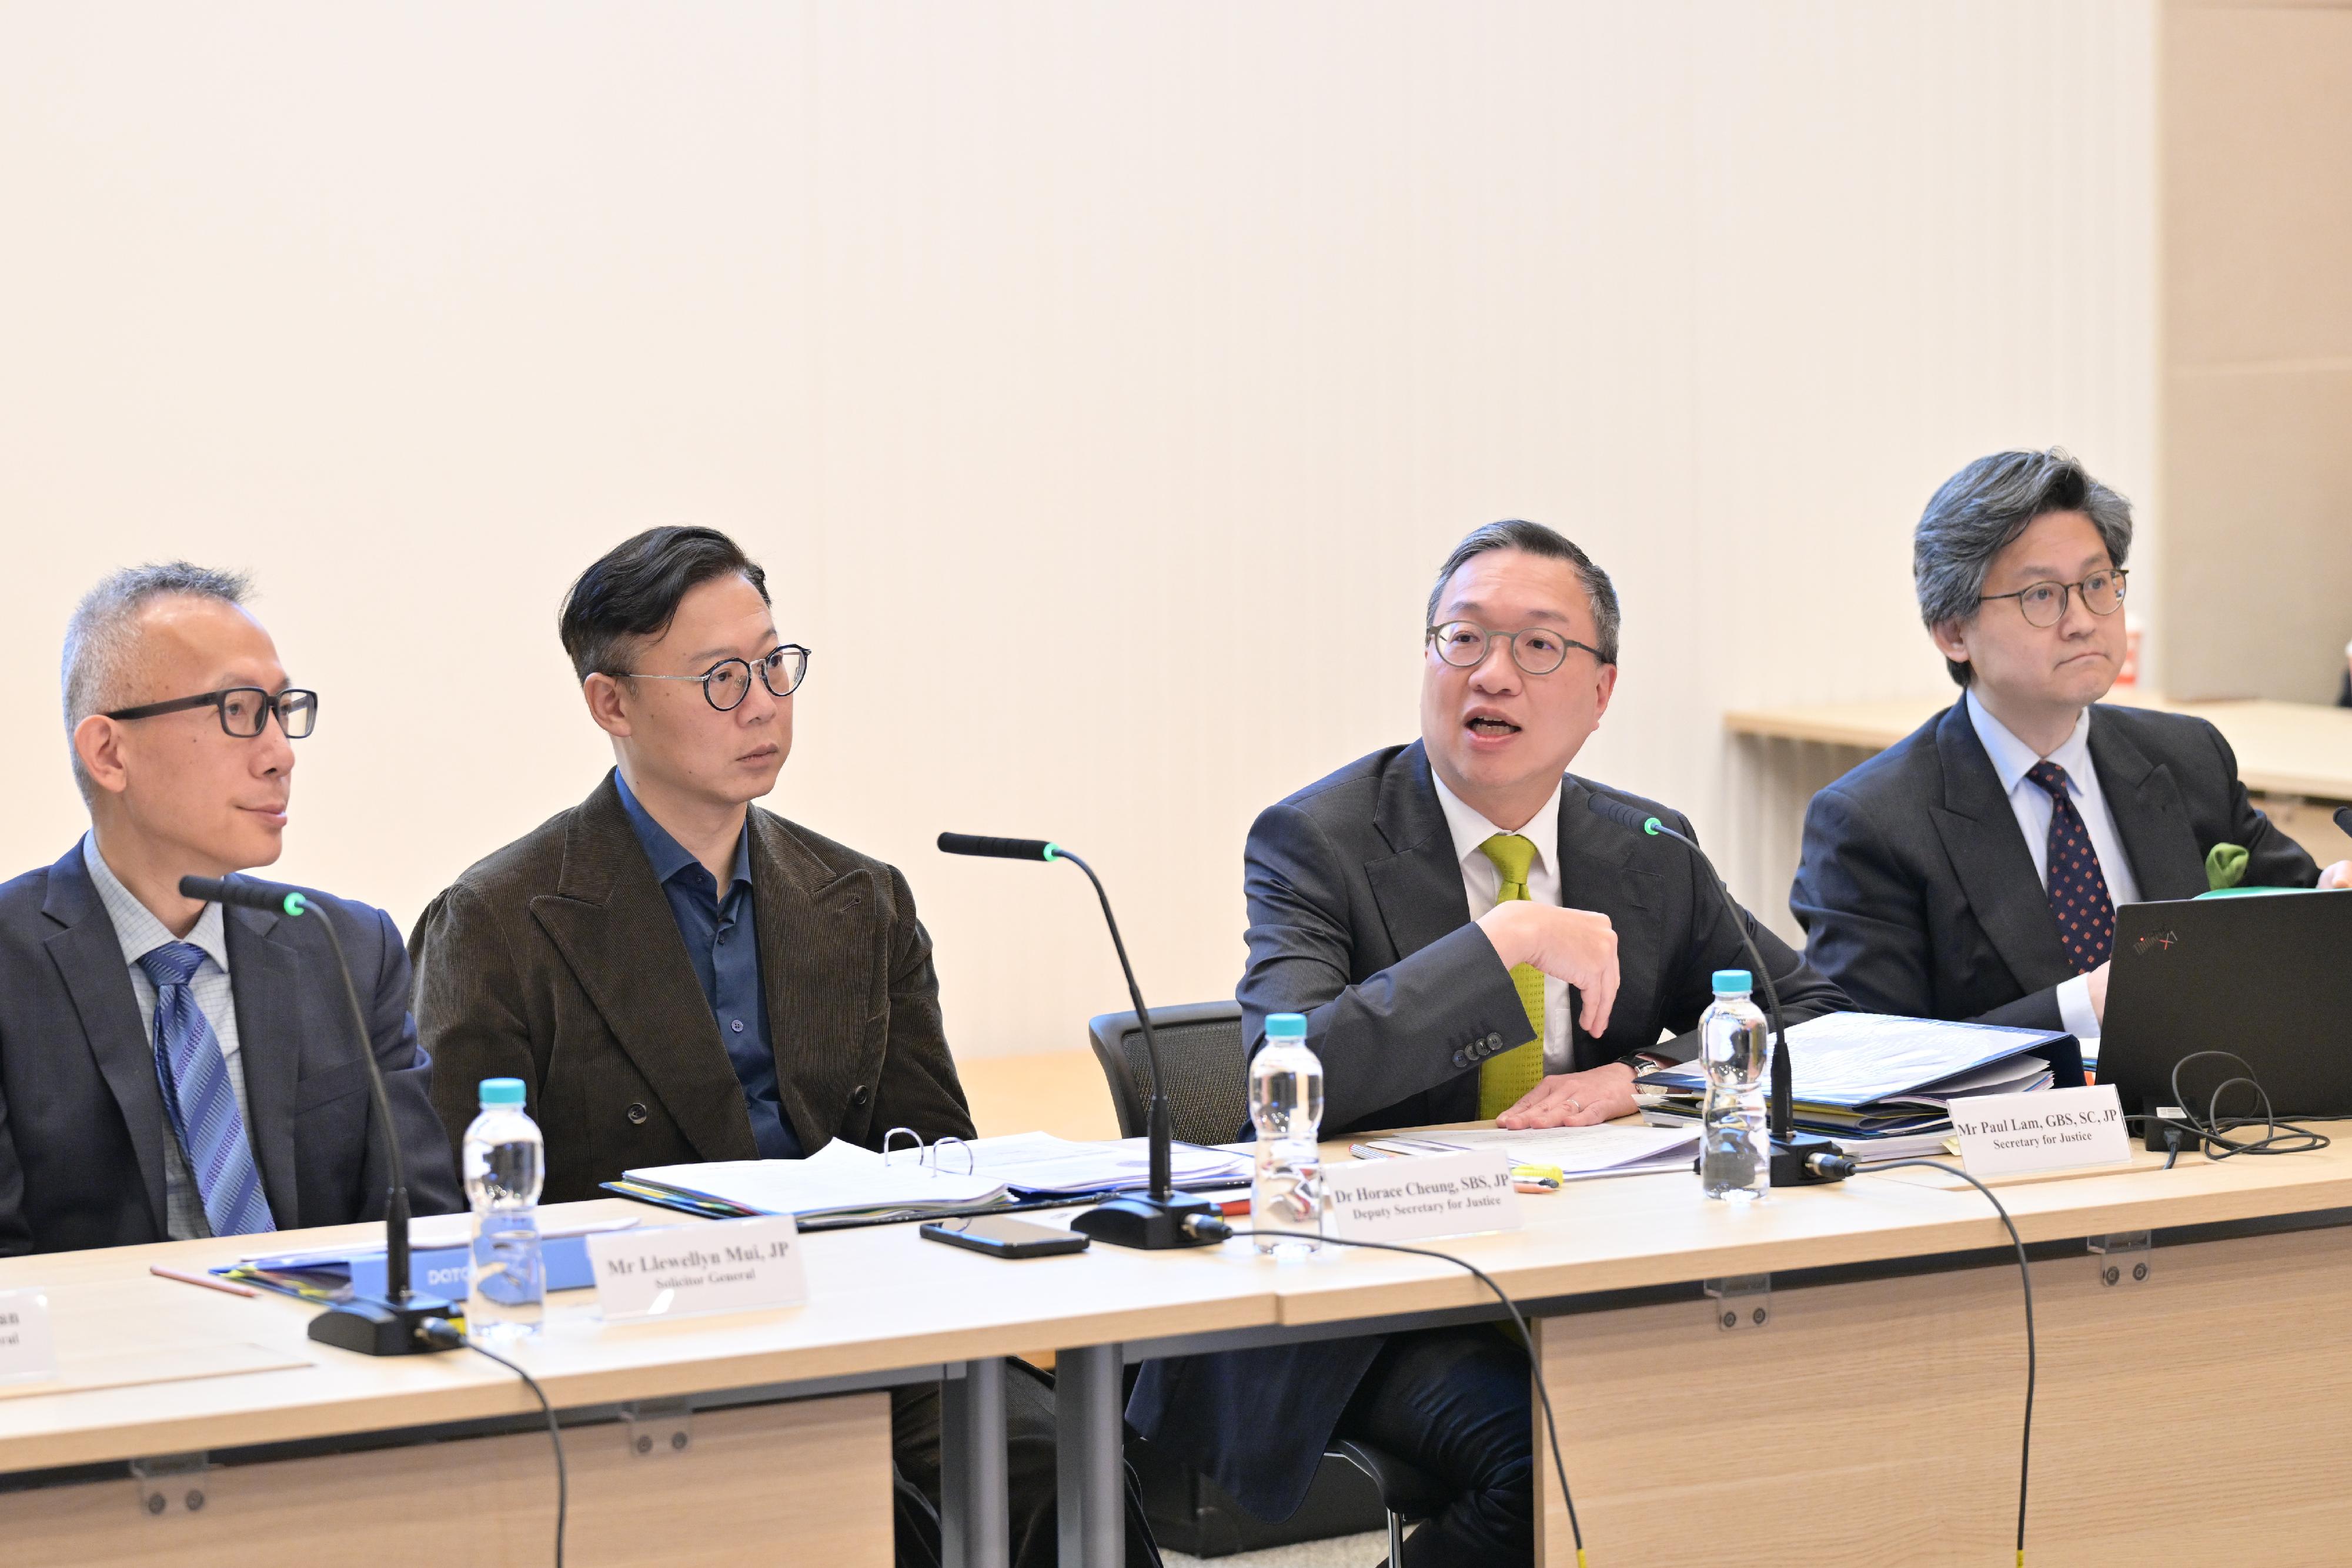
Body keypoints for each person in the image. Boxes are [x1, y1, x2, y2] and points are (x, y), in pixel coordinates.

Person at [407, 525, 1156, 1568]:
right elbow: (461, 1210)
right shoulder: (501, 917)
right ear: (610, 704)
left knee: (1060, 1469)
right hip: (645, 1350)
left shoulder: (860, 900)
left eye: (773, 664)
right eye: (719, 678)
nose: (762, 703)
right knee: (856, 1515)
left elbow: (935, 1155)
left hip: (868, 1327)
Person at [1128, 520, 1847, 1566]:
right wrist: (1501, 941)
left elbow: (1812, 1020)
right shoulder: (1317, 838)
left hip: (1592, 1262)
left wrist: (1641, 1079)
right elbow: (1293, 1069)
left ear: (1601, 692)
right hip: (1375, 1294)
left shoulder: (1650, 848)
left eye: (1540, 646)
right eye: (1462, 640)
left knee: (1755, 1415)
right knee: (1554, 1454)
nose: (1493, 675)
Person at [1792, 449, 2350, 1035]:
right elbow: (1872, 1056)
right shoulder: (1872, 823)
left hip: (2207, 1108)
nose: (2082, 619)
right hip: (1999, 1124)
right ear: (1953, 632)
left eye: (2096, 583)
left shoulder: (2185, 758)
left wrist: (2333, 899)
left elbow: (2292, 917)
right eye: (2041, 595)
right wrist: (2087, 1004)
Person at [0, 564, 459, 1257]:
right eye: (237, 712)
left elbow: (421, 1227)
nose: (280, 755)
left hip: (324, 1353)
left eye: (281, 711)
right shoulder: (10, 961)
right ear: (108, 752)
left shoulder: (347, 948)